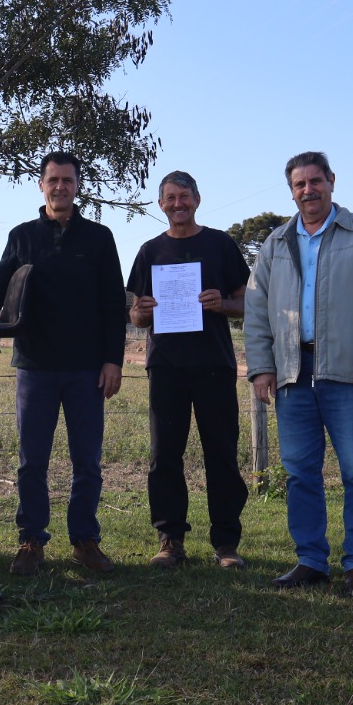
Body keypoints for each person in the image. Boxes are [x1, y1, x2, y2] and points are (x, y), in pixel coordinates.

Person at [0, 150, 125, 576]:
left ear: (78, 186)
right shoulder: (22, 236)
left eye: (68, 181)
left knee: (87, 460)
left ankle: (85, 541)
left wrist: (113, 360)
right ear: (41, 185)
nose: (60, 187)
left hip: (86, 369)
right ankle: (31, 540)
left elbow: (114, 304)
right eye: (53, 180)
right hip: (35, 367)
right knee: (31, 460)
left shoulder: (99, 237)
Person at [243, 152, 353, 598]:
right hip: (292, 373)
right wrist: (261, 367)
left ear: (332, 181)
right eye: (299, 184)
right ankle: (311, 559)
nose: (308, 190)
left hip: (348, 373)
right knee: (299, 473)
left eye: (315, 181)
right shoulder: (274, 244)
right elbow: (256, 312)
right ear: (290, 191)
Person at [126, 171, 252, 570]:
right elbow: (135, 313)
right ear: (160, 203)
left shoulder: (220, 245)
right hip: (165, 367)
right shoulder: (149, 252)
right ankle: (170, 540)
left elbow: (245, 303)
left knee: (221, 454)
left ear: (198, 199)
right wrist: (141, 313)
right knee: (164, 456)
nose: (177, 204)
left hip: (214, 364)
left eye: (184, 196)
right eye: (170, 198)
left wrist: (223, 305)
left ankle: (226, 543)